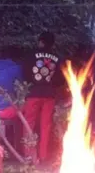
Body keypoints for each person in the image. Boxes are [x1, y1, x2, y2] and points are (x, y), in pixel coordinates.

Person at [22, 31, 65, 164]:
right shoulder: (57, 57)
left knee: (29, 123)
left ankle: (29, 156)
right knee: (45, 125)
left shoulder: (31, 56)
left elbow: (25, 74)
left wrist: (33, 83)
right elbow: (60, 79)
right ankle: (43, 156)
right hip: (49, 95)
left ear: (41, 41)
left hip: (33, 93)